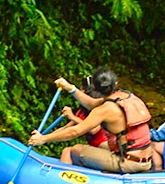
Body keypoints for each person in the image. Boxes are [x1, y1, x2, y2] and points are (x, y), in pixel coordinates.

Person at [26, 68, 154, 174]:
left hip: (129, 162)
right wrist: (70, 88)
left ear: (96, 89)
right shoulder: (126, 96)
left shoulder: (104, 110)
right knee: (100, 146)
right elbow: (92, 103)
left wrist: (43, 139)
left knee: (74, 150)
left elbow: (74, 132)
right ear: (116, 83)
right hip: (145, 159)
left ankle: (73, 183)